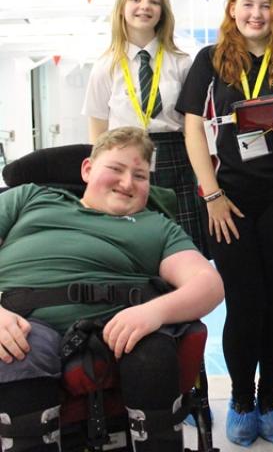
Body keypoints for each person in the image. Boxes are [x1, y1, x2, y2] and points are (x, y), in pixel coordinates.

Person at [0, 127, 224, 452]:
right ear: (87, 169)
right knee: (18, 354)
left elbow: (208, 284)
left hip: (118, 327)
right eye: (116, 169)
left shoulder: (156, 226)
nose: (127, 182)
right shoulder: (30, 197)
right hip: (21, 321)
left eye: (140, 175)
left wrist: (153, 312)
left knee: (153, 352)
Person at [176, 0, 273, 447]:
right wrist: (211, 194)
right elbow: (193, 130)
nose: (257, 13)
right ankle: (239, 397)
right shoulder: (210, 61)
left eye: (266, 5)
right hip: (228, 199)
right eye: (248, 4)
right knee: (243, 303)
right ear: (232, 8)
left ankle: (271, 396)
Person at [82, 0, 205, 253]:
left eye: (154, 2)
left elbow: (193, 126)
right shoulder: (105, 66)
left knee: (181, 246)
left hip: (175, 158)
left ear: (163, 12)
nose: (145, 7)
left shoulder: (182, 63)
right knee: (131, 245)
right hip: (123, 157)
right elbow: (98, 129)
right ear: (122, 8)